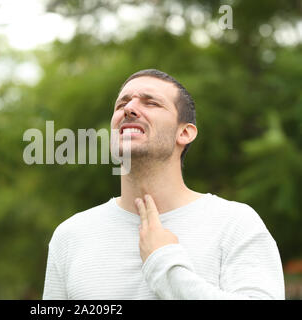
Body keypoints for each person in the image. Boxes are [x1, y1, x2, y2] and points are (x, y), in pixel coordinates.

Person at [42, 69, 285, 300]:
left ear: (185, 133)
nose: (130, 108)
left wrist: (165, 264)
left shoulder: (235, 224)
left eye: (151, 103)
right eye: (121, 104)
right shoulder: (70, 236)